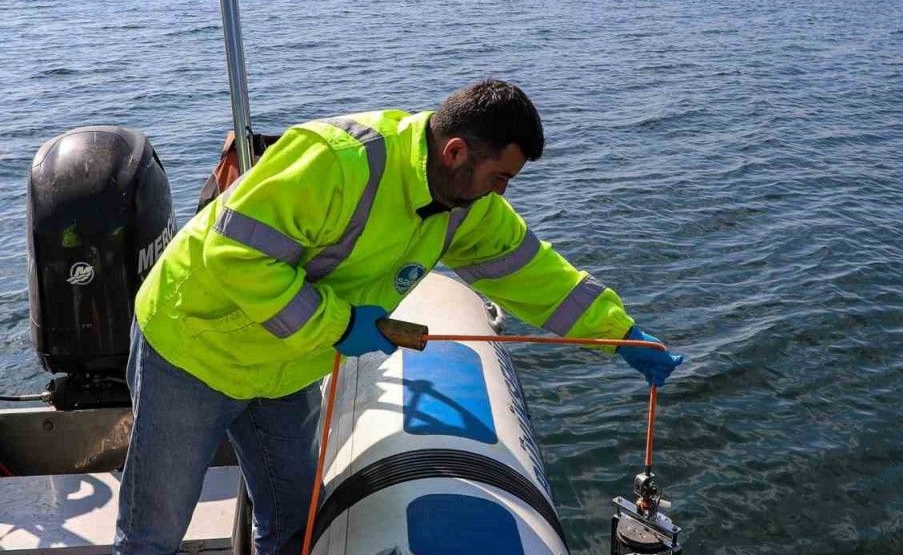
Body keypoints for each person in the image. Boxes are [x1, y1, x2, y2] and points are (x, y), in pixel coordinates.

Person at [113, 79, 684, 555]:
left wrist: (620, 334)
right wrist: (340, 326)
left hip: (282, 366)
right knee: (153, 533)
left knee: (292, 526)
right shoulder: (336, 162)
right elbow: (234, 256)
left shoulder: (468, 207)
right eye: (499, 178)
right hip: (195, 349)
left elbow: (532, 272)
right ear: (455, 152)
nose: (501, 193)